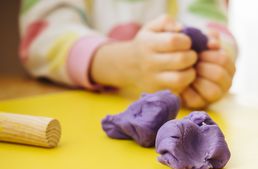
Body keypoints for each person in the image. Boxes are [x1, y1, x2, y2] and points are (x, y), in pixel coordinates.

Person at [19, 0, 237, 109]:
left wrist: (214, 64)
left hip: (184, 106)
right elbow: (44, 36)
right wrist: (121, 63)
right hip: (67, 107)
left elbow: (213, 23)